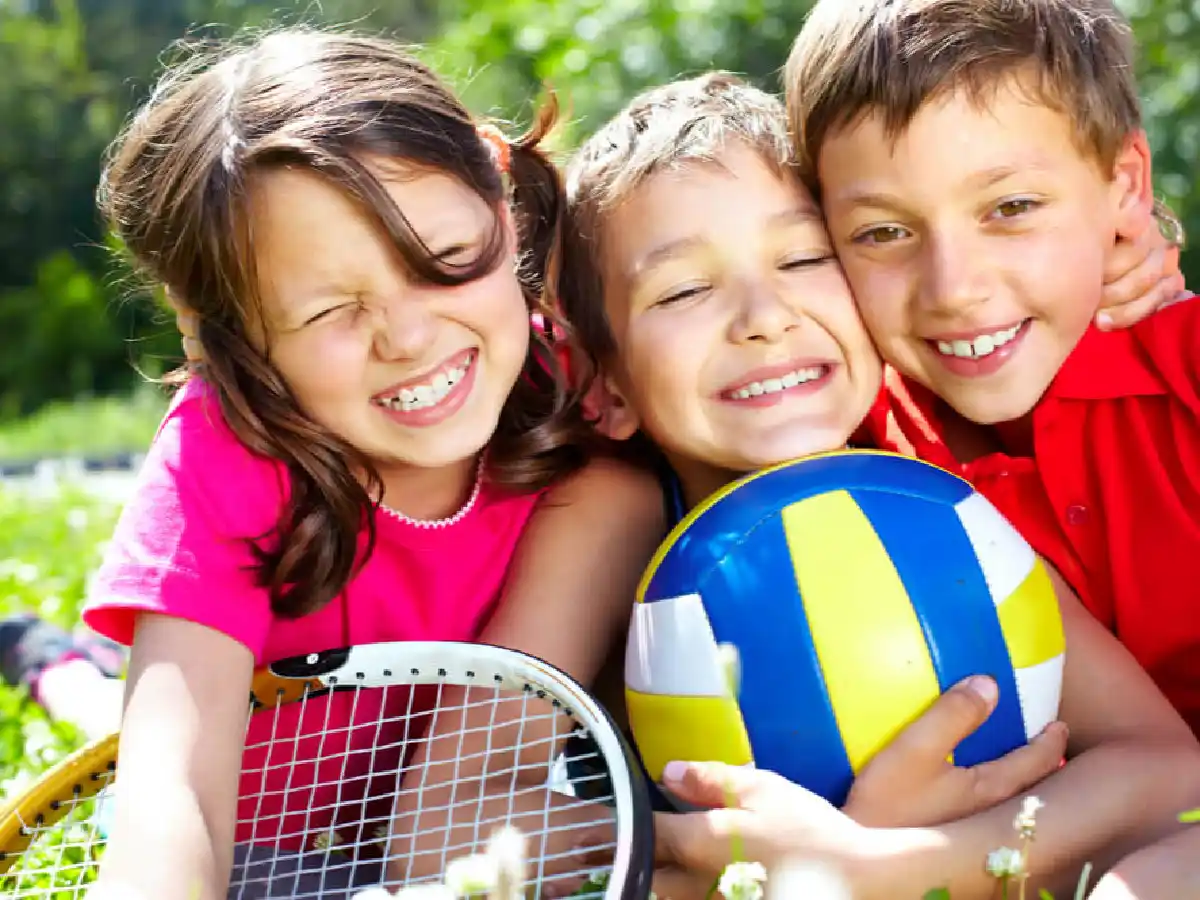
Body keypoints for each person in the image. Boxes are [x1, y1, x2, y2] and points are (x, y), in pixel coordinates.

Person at [557, 71, 1200, 899]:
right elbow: (458, 817)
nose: (765, 316)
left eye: (803, 257)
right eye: (683, 289)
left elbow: (1168, 769)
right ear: (598, 382)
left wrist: (878, 864)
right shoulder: (611, 517)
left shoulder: (927, 500)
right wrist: (710, 857)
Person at [78, 27, 665, 900]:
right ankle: (56, 665)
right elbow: (173, 796)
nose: (410, 338)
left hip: (439, 823)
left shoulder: (588, 408)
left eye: (442, 263)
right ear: (220, 329)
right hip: (260, 861)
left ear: (500, 197)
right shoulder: (229, 447)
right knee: (108, 708)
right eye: (329, 311)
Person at [787, 1, 1200, 894]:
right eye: (883, 233)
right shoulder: (847, 463)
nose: (954, 289)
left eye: (1010, 208)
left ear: (1125, 186)